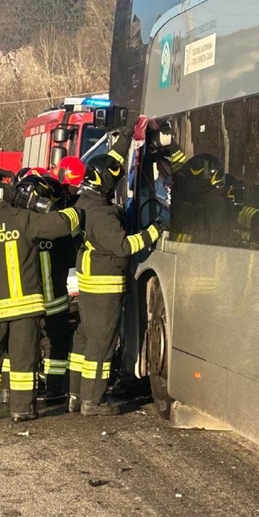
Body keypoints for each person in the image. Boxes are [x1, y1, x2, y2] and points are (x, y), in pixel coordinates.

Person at [0, 165, 82, 423]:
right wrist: (80, 209)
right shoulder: (22, 219)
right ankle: (22, 409)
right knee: (23, 360)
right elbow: (59, 224)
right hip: (25, 308)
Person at [68, 129, 164, 416]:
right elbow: (123, 246)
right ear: (106, 185)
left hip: (89, 287)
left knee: (85, 339)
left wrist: (126, 136)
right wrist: (153, 231)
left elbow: (108, 164)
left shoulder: (86, 203)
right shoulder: (103, 216)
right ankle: (93, 401)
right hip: (104, 288)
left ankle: (77, 395)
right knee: (102, 344)